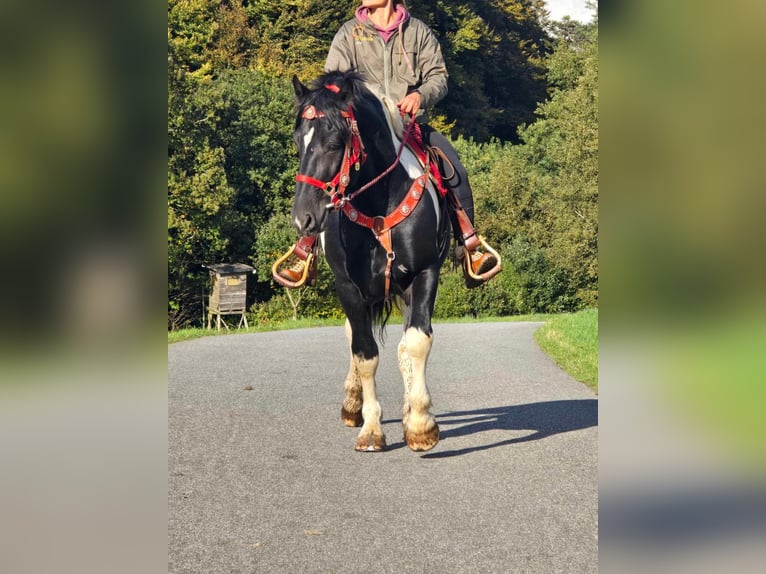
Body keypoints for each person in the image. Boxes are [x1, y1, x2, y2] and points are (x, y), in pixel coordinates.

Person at [276, 0, 500, 288]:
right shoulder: (349, 33)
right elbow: (331, 83)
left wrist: (420, 96)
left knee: (452, 167)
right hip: (360, 129)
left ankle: (469, 246)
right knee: (324, 167)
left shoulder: (418, 32)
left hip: (408, 125)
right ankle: (306, 248)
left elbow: (438, 77)